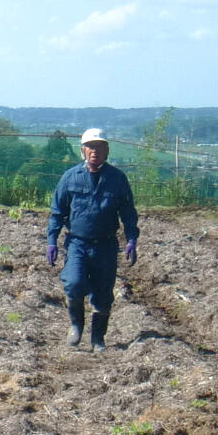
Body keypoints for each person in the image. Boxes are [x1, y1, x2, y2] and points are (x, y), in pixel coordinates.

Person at [46, 128, 139, 353]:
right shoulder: (70, 177)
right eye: (90, 147)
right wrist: (51, 240)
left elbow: (128, 212)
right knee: (74, 283)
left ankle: (98, 338)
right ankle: (76, 324)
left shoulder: (117, 179)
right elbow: (57, 211)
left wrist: (131, 239)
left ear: (106, 150)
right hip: (77, 243)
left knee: (103, 294)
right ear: (83, 151)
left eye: (99, 147)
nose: (94, 152)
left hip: (106, 246)